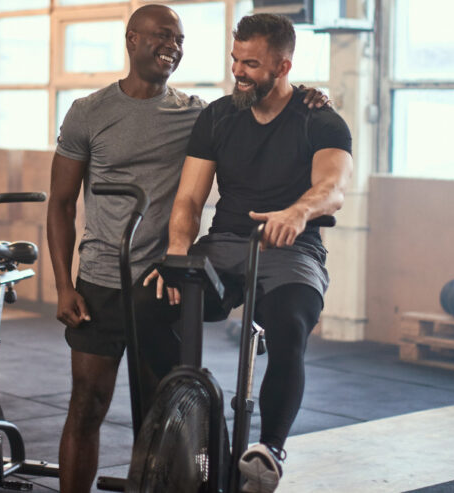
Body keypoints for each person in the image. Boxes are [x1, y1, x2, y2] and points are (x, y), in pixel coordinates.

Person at [47, 5, 330, 491]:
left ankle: (192, 479)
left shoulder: (195, 113)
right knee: (87, 405)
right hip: (100, 281)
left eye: (178, 40)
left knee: (167, 412)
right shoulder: (88, 113)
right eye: (161, 36)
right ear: (132, 39)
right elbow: (60, 204)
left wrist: (302, 93)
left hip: (164, 280)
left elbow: (257, 104)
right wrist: (63, 285)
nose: (171, 47)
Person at [147, 13, 354, 493]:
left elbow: (333, 187)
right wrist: (177, 254)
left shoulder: (319, 119)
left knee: (290, 321)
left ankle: (269, 451)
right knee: (151, 306)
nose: (239, 72)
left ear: (283, 67)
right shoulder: (218, 116)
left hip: (289, 245)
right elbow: (190, 199)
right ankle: (187, 420)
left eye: (252, 64)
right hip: (223, 245)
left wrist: (298, 212)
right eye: (236, 60)